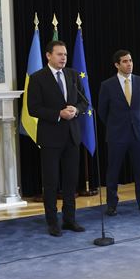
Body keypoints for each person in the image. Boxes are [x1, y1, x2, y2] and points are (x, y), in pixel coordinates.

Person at [26, 40, 89, 237]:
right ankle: (52, 222)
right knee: (51, 182)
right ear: (48, 55)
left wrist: (76, 109)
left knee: (71, 181)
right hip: (50, 138)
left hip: (71, 136)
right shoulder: (38, 78)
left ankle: (70, 219)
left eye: (65, 55)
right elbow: (33, 108)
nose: (63, 58)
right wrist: (57, 113)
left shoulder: (72, 75)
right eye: (59, 54)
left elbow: (84, 101)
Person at [98, 50, 140, 215]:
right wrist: (116, 125)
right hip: (117, 134)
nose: (129, 64)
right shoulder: (107, 85)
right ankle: (112, 204)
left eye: (130, 60)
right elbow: (102, 111)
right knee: (113, 170)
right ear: (117, 65)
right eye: (125, 61)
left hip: (138, 133)